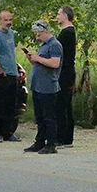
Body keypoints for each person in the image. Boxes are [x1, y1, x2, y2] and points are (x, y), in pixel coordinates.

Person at [23, 20, 62, 155]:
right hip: (38, 86)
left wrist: (38, 59)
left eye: (39, 35)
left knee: (49, 117)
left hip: (48, 87)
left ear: (45, 31)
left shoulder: (55, 45)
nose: (37, 37)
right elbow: (42, 62)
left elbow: (55, 63)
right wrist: (33, 59)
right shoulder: (44, 45)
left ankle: (51, 144)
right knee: (39, 117)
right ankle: (39, 142)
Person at [0, 11, 22, 143]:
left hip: (13, 74)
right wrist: (1, 71)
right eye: (6, 20)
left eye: (10, 19)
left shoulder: (11, 34)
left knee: (10, 105)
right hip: (1, 75)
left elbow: (10, 53)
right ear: (0, 21)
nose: (9, 22)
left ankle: (8, 132)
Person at [54, 5, 77, 147]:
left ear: (65, 16)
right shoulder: (68, 32)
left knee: (62, 105)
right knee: (64, 104)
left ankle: (63, 137)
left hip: (64, 72)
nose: (57, 17)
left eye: (58, 14)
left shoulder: (66, 33)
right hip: (67, 71)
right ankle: (65, 137)